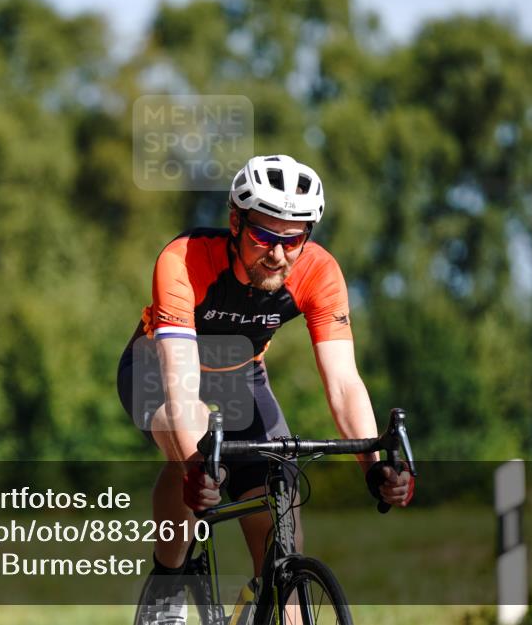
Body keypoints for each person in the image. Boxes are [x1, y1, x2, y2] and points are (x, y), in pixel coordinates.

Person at [117, 155, 414, 623]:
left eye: (292, 239)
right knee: (194, 450)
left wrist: (373, 465)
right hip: (158, 369)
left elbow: (343, 382)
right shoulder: (184, 259)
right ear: (235, 222)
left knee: (283, 524)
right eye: (263, 236)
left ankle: (280, 595)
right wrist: (199, 464)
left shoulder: (319, 272)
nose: (277, 253)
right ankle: (169, 580)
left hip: (241, 374)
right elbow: (180, 385)